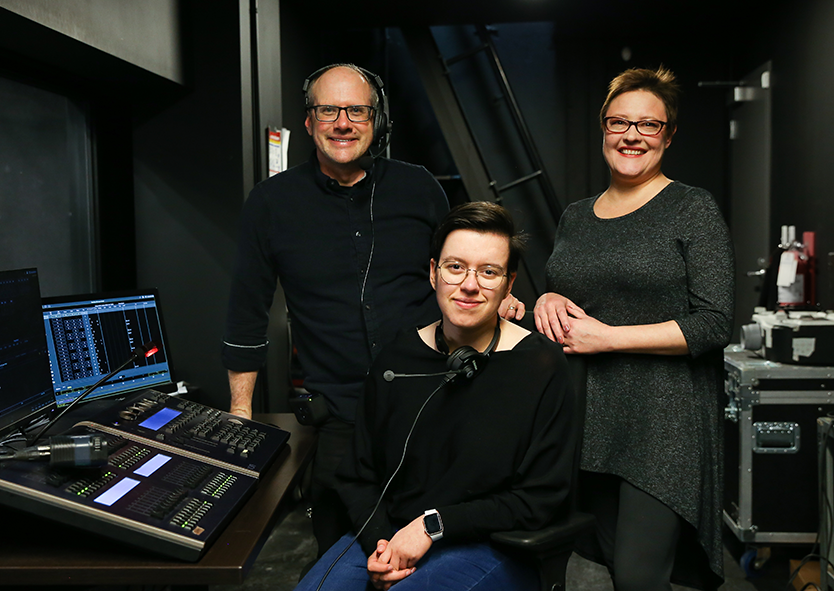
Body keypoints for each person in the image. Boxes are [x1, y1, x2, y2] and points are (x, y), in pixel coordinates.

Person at [222, 64, 524, 559]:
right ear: (309, 121)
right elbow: (246, 311)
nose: (343, 123)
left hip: (434, 402)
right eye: (329, 110)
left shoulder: (419, 187)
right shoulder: (270, 203)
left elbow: (459, 267)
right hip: (340, 419)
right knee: (344, 556)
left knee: (440, 549)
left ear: (375, 120)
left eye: (357, 111)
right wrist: (240, 412)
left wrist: (496, 304)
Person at [295, 201, 577, 591]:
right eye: (455, 267)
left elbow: (541, 498)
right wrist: (383, 546)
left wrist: (433, 526)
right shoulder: (396, 360)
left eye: (488, 272)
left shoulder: (541, 366)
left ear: (509, 283)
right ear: (433, 272)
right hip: (392, 533)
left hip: (492, 543)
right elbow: (358, 477)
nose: (470, 285)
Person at [534, 66, 734, 590]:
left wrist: (608, 338)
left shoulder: (692, 208)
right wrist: (548, 297)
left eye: (649, 124)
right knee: (605, 565)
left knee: (639, 577)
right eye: (619, 122)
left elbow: (714, 323)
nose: (632, 135)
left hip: (661, 424)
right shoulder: (576, 216)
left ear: (669, 135)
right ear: (604, 128)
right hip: (588, 416)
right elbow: (573, 295)